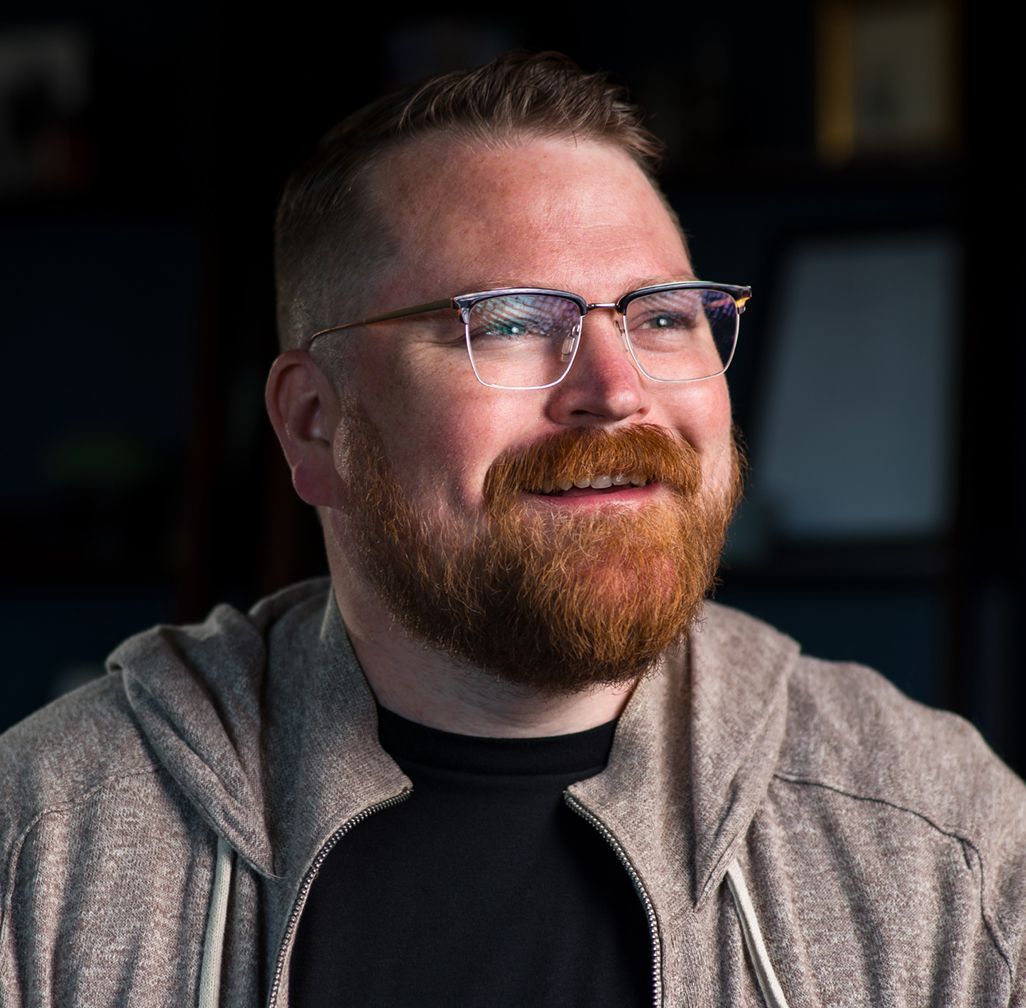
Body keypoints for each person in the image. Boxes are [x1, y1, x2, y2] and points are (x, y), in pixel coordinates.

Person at [1, 51, 1024, 1008]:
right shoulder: (45, 848)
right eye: (513, 324)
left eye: (664, 316)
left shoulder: (937, 834)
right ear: (315, 424)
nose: (619, 393)